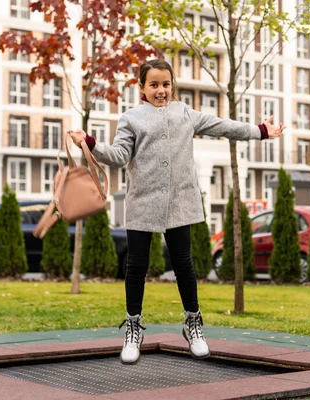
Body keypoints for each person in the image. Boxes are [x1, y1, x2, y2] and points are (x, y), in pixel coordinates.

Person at [69, 59, 285, 365]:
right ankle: (133, 327)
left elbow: (222, 125)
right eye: (154, 85)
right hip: (142, 201)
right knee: (136, 265)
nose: (161, 90)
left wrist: (261, 130)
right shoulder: (131, 118)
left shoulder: (185, 113)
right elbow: (118, 156)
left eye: (166, 84)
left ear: (173, 85)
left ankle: (193, 323)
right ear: (141, 87)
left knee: (184, 264)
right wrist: (89, 142)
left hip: (179, 201)